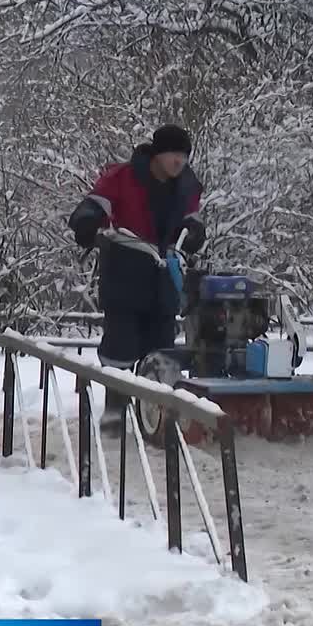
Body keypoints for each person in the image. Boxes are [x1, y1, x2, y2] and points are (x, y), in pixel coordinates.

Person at [67, 124, 207, 423]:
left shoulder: (187, 184)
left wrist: (194, 232)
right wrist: (87, 222)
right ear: (157, 154)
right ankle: (115, 412)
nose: (178, 161)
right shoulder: (124, 177)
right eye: (173, 154)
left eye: (183, 156)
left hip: (164, 272)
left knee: (162, 345)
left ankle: (156, 417)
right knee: (121, 342)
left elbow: (191, 217)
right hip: (125, 268)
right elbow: (94, 204)